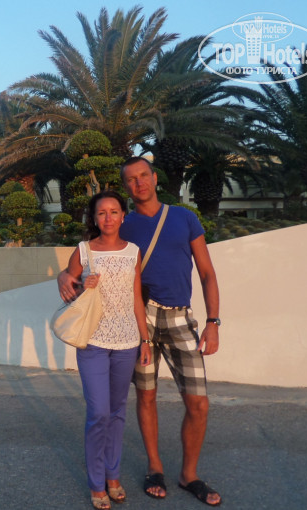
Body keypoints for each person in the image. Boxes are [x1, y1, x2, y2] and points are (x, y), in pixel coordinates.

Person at [58, 157, 222, 507]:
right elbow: (84, 258)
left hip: (178, 318)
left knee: (198, 402)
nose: (138, 183)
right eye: (130, 179)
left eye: (143, 176)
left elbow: (207, 273)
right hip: (139, 320)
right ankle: (154, 469)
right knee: (144, 396)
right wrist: (63, 276)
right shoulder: (124, 224)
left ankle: (189, 474)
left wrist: (213, 322)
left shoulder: (184, 218)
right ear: (125, 188)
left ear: (155, 178)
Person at [59, 190, 152, 510]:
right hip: (93, 342)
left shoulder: (133, 251)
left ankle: (113, 477)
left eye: (114, 211)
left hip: (127, 342)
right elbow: (67, 289)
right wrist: (77, 285)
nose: (108, 217)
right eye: (102, 213)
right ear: (94, 218)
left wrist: (145, 340)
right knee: (99, 412)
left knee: (117, 412)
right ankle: (96, 483)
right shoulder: (84, 251)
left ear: (123, 216)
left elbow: (136, 298)